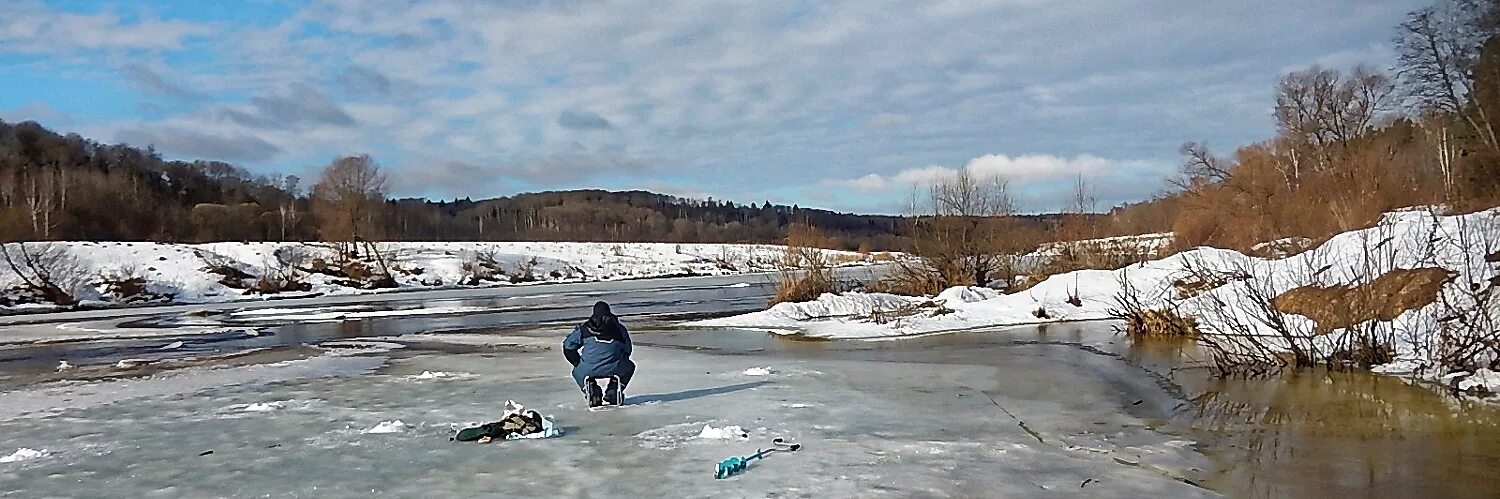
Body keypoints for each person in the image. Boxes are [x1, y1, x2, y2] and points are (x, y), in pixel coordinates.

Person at [563, 301, 635, 407]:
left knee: (577, 372)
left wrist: (576, 361)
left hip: (588, 368)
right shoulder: (619, 329)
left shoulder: (584, 329)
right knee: (629, 367)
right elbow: (627, 349)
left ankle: (591, 390)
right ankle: (614, 389)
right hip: (615, 366)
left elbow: (568, 346)